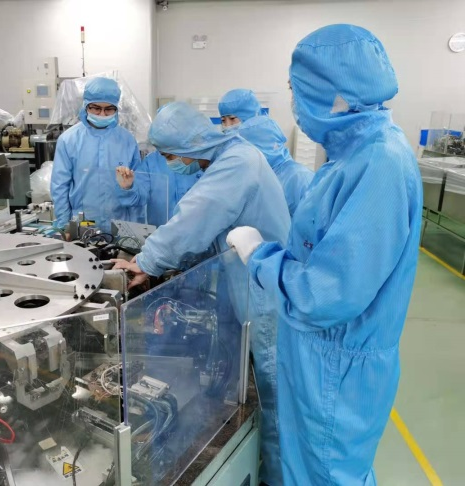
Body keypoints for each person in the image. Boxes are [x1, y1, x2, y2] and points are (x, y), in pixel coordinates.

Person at [227, 24, 423, 485]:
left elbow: (327, 293)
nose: (293, 103)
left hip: (336, 370)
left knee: (326, 477)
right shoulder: (352, 154)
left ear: (330, 91)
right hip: (322, 359)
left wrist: (259, 256)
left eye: (295, 89)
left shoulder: (379, 162)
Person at [113, 101, 290, 486]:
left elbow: (195, 217)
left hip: (264, 299)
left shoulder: (237, 163)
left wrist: (147, 262)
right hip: (249, 289)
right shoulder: (228, 157)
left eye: (169, 156)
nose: (169, 163)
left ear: (189, 145)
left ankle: (275, 477)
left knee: (273, 399)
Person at [51, 77, 147, 231]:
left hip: (120, 224)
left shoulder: (127, 140)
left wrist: (135, 229)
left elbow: (137, 186)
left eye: (109, 109)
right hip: (83, 224)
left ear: (116, 108)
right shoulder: (68, 140)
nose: (102, 114)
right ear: (86, 105)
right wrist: (64, 225)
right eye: (96, 108)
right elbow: (60, 186)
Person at [219, 89, 313, 216]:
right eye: (223, 120)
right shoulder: (250, 175)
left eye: (232, 119)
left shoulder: (298, 177)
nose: (227, 126)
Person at [142, 149, 202, 227]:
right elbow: (138, 194)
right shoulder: (151, 160)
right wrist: (129, 186)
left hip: (197, 227)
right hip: (161, 229)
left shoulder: (202, 157)